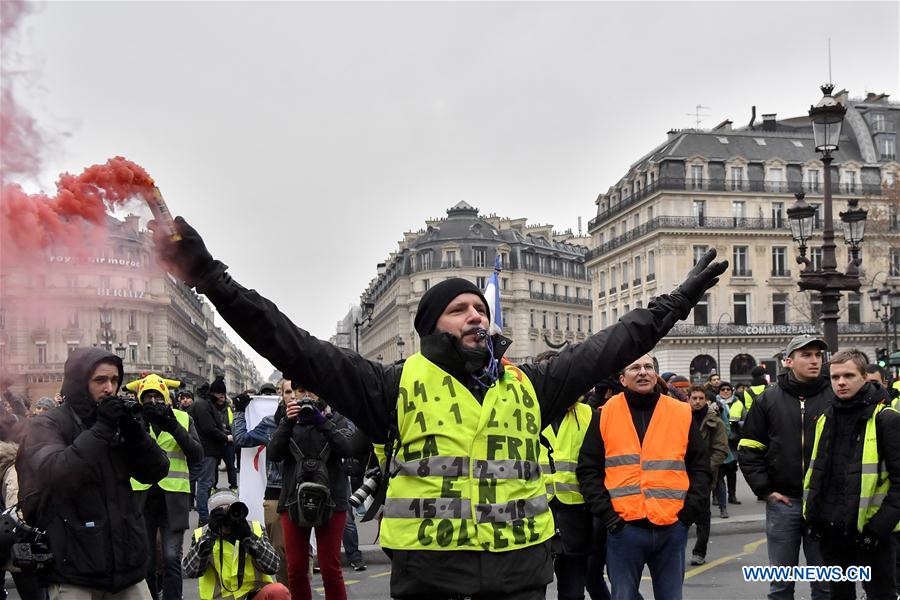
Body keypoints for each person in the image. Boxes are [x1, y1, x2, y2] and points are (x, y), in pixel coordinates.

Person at [149, 216, 726, 599]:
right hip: (431, 582)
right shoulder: (389, 387)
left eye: (481, 307)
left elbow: (615, 343)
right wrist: (210, 278)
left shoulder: (532, 384)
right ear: (429, 327)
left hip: (522, 577)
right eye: (459, 309)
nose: (477, 315)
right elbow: (287, 340)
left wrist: (676, 301)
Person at [15, 347, 169, 597]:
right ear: (79, 382)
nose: (109, 388)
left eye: (115, 380)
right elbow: (55, 473)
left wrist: (135, 433)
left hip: (126, 566)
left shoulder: (115, 422)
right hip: (74, 568)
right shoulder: (47, 424)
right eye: (100, 380)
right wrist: (102, 429)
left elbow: (156, 470)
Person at [576, 355, 712, 600]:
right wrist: (609, 518)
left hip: (672, 528)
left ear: (655, 375)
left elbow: (700, 467)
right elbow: (588, 470)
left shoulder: (681, 413)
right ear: (622, 379)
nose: (643, 372)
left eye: (649, 367)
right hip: (624, 529)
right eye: (635, 368)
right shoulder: (604, 415)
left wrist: (687, 515)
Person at [738, 334, 833, 600]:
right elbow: (748, 448)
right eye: (807, 355)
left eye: (818, 355)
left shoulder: (834, 395)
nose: (815, 361)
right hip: (784, 502)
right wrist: (766, 489)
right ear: (788, 361)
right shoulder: (768, 399)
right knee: (780, 585)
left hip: (823, 503)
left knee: (825, 585)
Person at [803, 349, 900, 600]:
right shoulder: (826, 417)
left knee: (880, 594)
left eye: (848, 375)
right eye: (835, 377)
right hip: (833, 530)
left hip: (872, 532)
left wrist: (877, 529)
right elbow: (818, 472)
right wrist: (814, 517)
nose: (841, 382)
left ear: (864, 377)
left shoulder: (886, 419)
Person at [266, 385, 367, 600]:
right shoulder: (286, 419)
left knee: (330, 569)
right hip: (293, 498)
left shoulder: (338, 418)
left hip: (332, 498)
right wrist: (287, 421)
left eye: (310, 391)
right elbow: (273, 454)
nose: (305, 397)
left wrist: (323, 423)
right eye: (300, 391)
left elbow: (349, 449)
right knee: (296, 570)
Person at [126, 374, 204, 600]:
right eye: (147, 397)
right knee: (147, 560)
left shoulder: (182, 418)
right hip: (142, 498)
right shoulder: (134, 420)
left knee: (171, 557)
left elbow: (197, 454)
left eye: (157, 397)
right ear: (140, 399)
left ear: (167, 398)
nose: (152, 401)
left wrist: (172, 425)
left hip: (174, 499)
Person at [545, 398, 610, 600]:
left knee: (572, 593)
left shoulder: (589, 415)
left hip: (576, 515)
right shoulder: (530, 409)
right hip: (535, 512)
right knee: (531, 589)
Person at [232, 381, 290, 586]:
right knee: (280, 551)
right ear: (280, 395)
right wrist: (239, 411)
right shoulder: (270, 423)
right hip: (276, 493)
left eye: (296, 391)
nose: (292, 396)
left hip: (304, 493)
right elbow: (241, 439)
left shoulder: (312, 418)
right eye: (287, 392)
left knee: (302, 554)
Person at [183, 489, 289, 600]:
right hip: (220, 598)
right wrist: (210, 536)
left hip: (253, 595)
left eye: (230, 510)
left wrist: (248, 538)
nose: (227, 517)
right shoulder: (202, 535)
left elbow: (274, 566)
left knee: (279, 591)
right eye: (220, 512)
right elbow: (191, 571)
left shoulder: (253, 529)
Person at [686, 385, 728, 565]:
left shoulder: (715, 421)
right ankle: (676, 551)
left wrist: (705, 469)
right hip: (682, 473)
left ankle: (699, 552)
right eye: (694, 398)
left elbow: (720, 449)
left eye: (701, 398)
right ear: (688, 399)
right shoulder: (682, 417)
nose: (697, 401)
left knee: (703, 514)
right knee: (681, 515)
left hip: (704, 474)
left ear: (706, 400)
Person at [193, 377, 234, 525]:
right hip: (207, 450)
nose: (222, 398)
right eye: (221, 395)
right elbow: (209, 428)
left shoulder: (206, 404)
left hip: (208, 449)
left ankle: (204, 514)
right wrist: (225, 437)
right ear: (215, 393)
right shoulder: (203, 405)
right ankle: (203, 517)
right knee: (205, 483)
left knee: (206, 482)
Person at [210, 377, 238, 491]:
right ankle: (213, 486)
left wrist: (229, 432)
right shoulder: (209, 408)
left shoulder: (230, 408)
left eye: (223, 395)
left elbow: (235, 424)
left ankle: (234, 486)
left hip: (229, 442)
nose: (221, 398)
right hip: (214, 441)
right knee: (213, 466)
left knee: (231, 465)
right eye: (219, 395)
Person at [714, 382, 740, 507]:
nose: (725, 391)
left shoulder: (738, 403)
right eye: (723, 389)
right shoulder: (714, 404)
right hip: (718, 443)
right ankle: (716, 497)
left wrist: (738, 424)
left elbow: (746, 419)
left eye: (728, 389)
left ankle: (732, 495)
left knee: (731, 471)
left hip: (732, 442)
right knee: (717, 472)